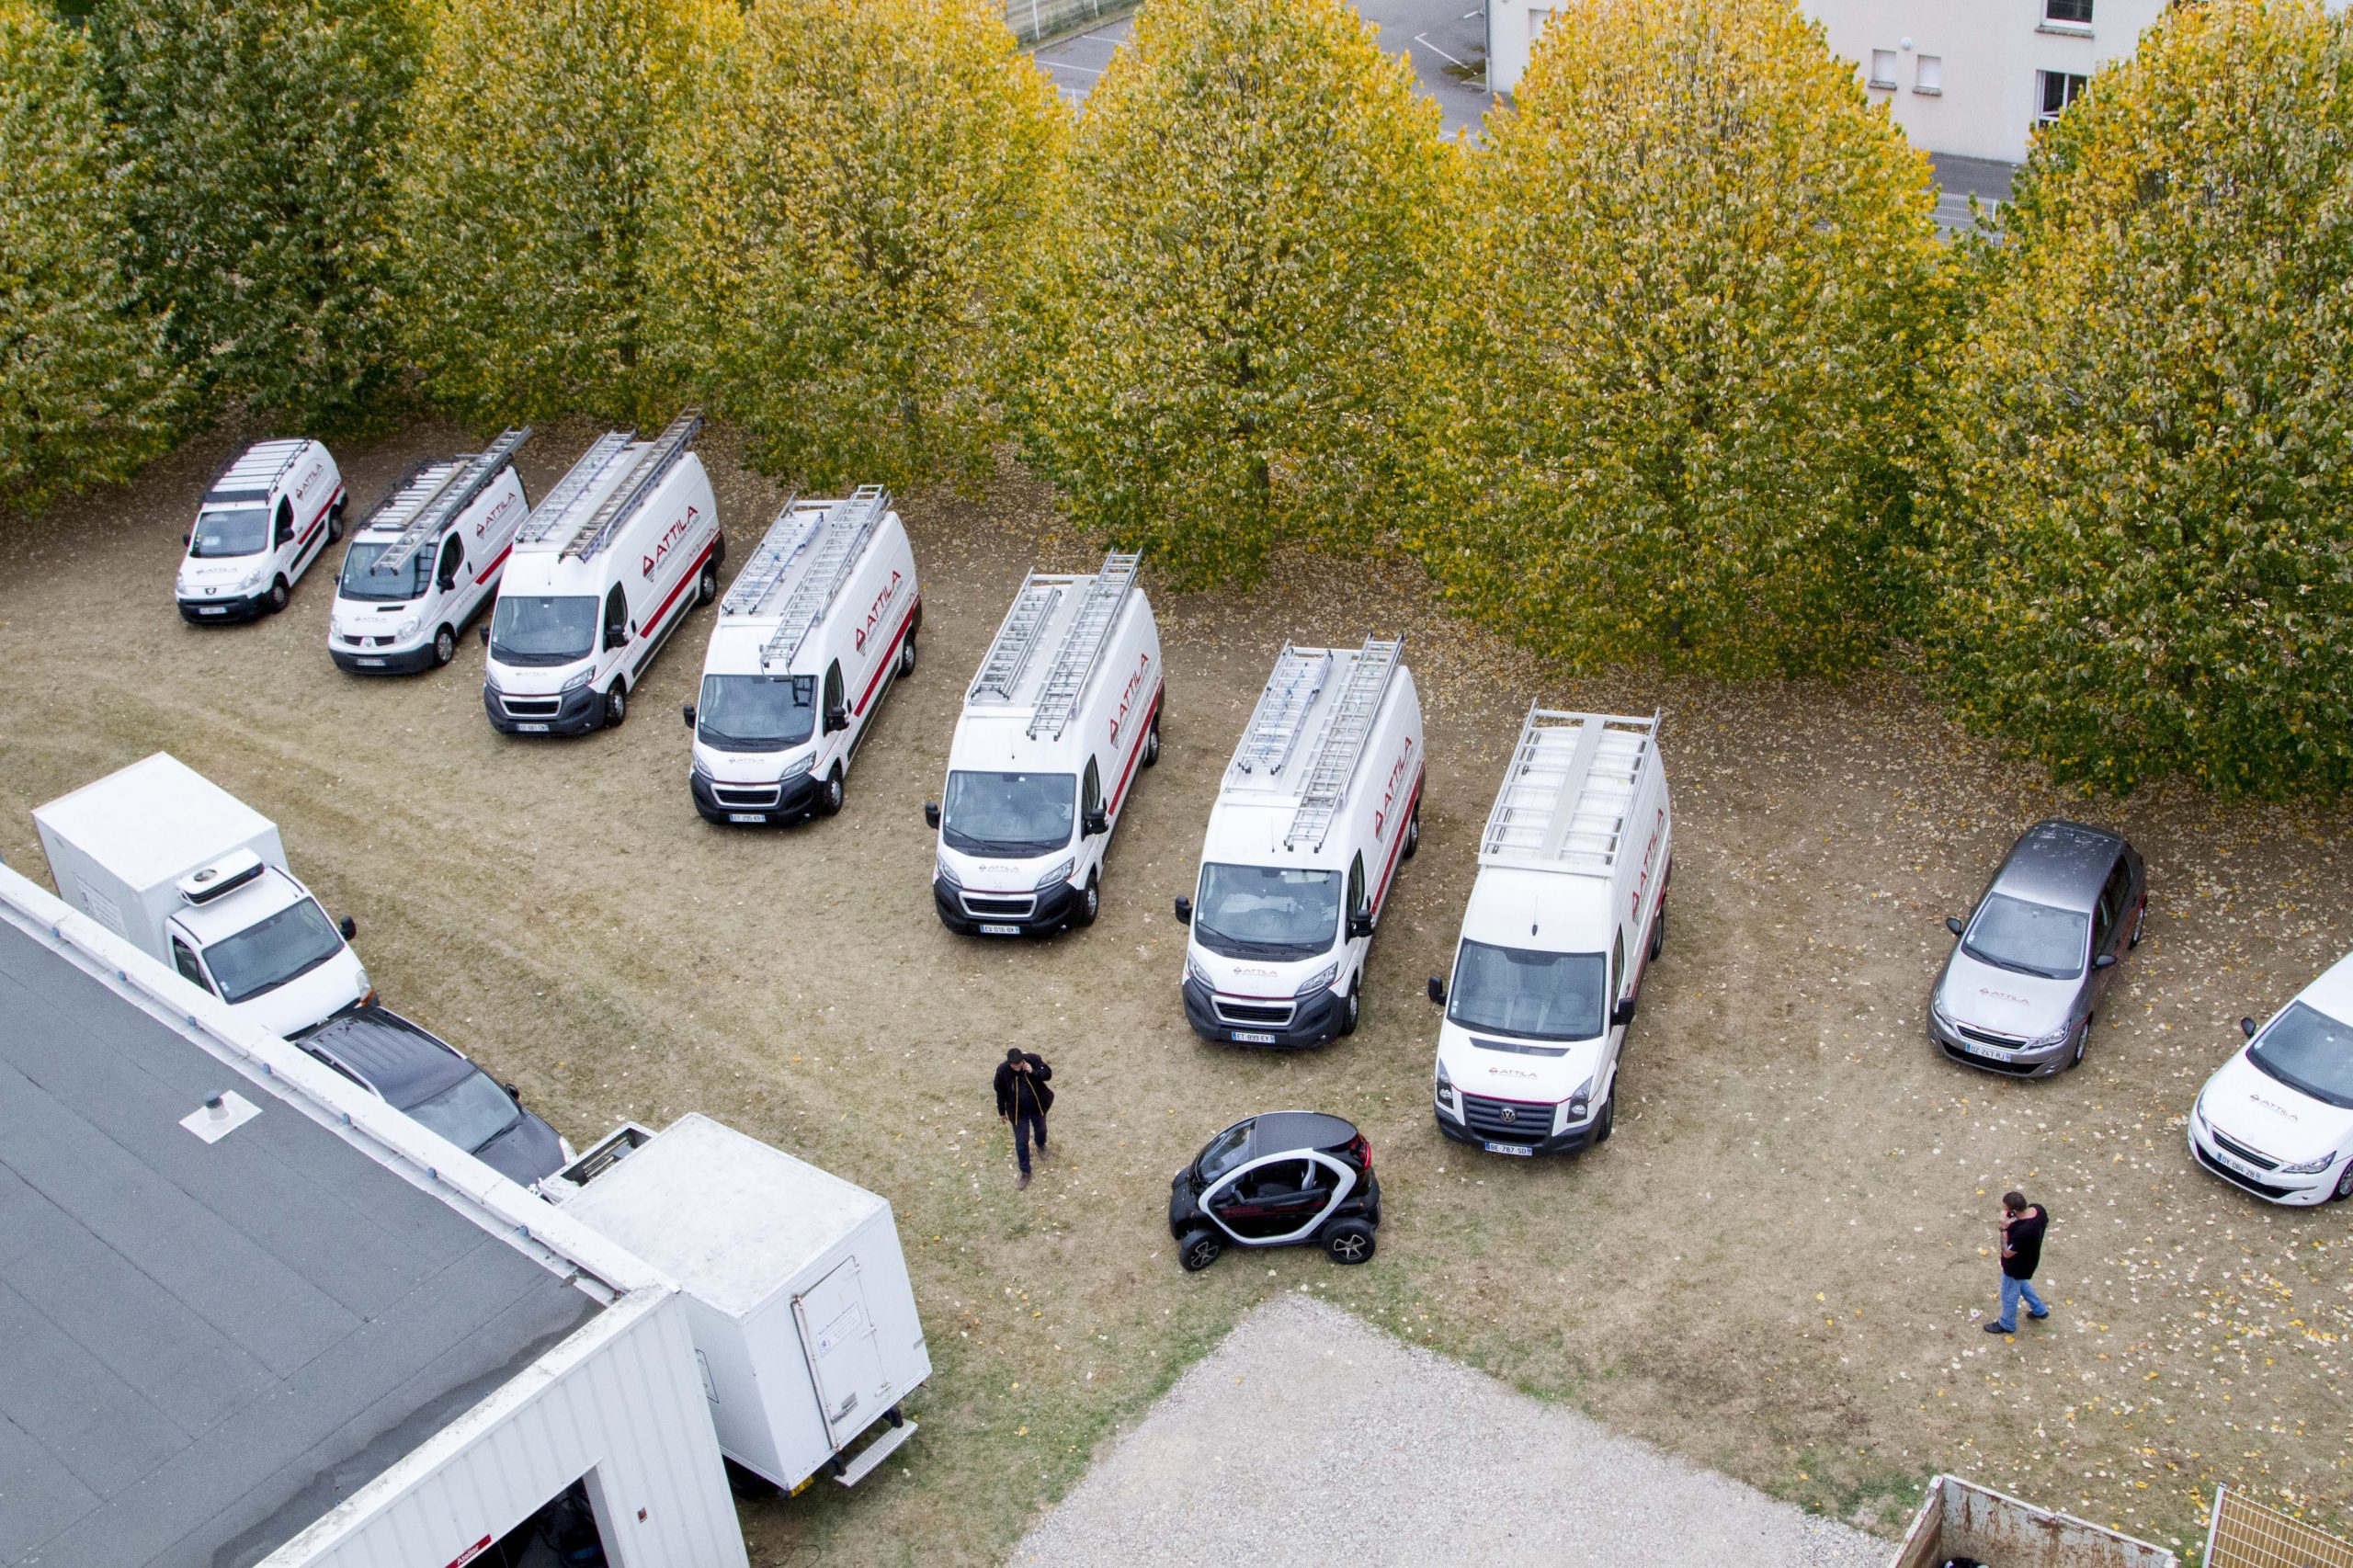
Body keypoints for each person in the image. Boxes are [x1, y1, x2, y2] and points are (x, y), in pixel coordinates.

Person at [1985, 1189, 2051, 1334]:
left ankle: (2007, 1324)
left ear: (2013, 1211)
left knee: (2008, 1294)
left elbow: (2007, 1253)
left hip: (2016, 1266)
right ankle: (2039, 1309)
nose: (2003, 1211)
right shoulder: (2038, 1209)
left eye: (2006, 1209)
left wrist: (2004, 1228)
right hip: (2030, 1261)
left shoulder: (2023, 1231)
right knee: (2021, 1283)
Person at [994, 1048, 1054, 1190]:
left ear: (1023, 1059)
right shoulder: (1002, 1071)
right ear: (1009, 1063)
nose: (1017, 1067)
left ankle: (1041, 1146)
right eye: (1014, 1066)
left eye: (1019, 1064)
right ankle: (1025, 1171)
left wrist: (1033, 1071)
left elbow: (1048, 1074)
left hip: (1037, 1107)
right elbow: (1000, 1092)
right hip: (1018, 1113)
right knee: (1021, 1141)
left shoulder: (1033, 1059)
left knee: (1041, 1130)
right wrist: (1001, 1112)